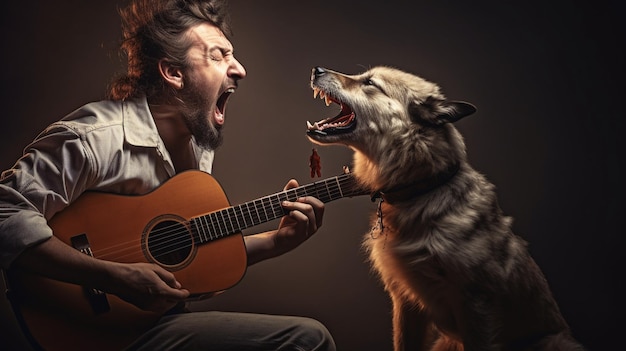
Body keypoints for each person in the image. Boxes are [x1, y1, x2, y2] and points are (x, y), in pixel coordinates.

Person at [0, 0, 336, 350]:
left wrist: (275, 243)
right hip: (90, 334)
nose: (240, 69)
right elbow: (4, 213)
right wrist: (111, 277)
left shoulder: (197, 146)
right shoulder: (96, 137)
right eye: (218, 56)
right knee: (307, 340)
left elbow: (187, 257)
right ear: (173, 73)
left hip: (153, 324)